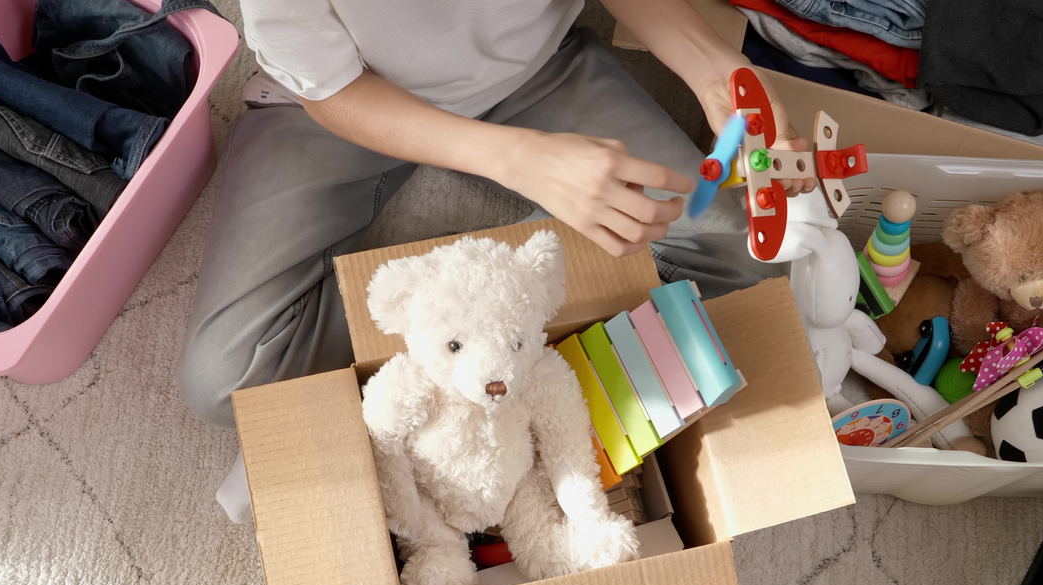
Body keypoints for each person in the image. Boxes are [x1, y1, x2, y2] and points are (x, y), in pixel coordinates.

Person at [178, 0, 813, 429]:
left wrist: (712, 69)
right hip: (342, 100)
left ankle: (517, 308)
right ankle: (494, 290)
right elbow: (330, 87)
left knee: (747, 272)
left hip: (535, 67)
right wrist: (517, 161)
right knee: (232, 379)